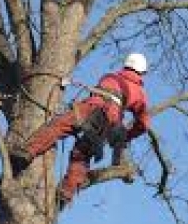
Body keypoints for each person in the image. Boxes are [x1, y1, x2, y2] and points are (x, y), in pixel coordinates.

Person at [10, 52, 151, 206]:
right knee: (82, 155)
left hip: (91, 107)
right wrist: (127, 135)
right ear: (142, 72)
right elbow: (143, 124)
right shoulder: (140, 94)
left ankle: (27, 152)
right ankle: (66, 192)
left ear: (126, 65)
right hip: (109, 123)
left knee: (58, 126)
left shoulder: (110, 76)